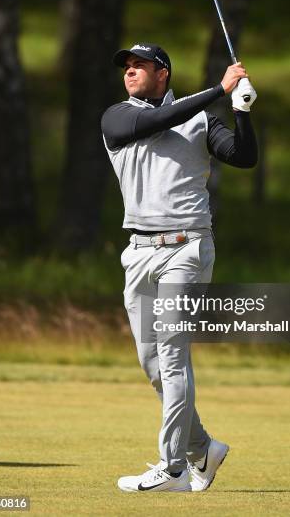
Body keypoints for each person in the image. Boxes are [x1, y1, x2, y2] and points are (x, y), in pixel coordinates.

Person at [101, 42, 258, 493]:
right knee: (152, 363)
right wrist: (218, 88)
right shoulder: (118, 117)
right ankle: (202, 449)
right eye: (126, 67)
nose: (130, 72)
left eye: (140, 65)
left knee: (172, 356)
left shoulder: (201, 118)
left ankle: (172, 468)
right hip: (139, 253)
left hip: (187, 249)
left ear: (163, 73)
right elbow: (156, 120)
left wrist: (241, 109)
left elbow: (243, 157)